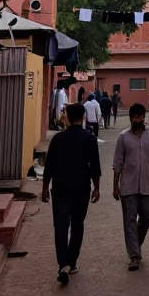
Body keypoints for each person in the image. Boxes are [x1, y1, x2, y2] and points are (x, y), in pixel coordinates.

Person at [41, 101, 100, 286]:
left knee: (60, 226)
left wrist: (44, 188)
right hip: (81, 189)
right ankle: (72, 261)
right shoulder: (89, 139)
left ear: (67, 116)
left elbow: (49, 166)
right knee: (77, 225)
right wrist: (96, 188)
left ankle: (63, 264)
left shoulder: (58, 139)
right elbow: (95, 167)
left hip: (60, 189)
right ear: (83, 117)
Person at [112, 103, 149, 271]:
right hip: (128, 186)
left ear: (144, 117)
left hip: (148, 183)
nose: (137, 120)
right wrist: (115, 186)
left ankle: (135, 244)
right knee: (129, 220)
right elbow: (117, 163)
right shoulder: (123, 137)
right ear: (130, 118)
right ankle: (134, 256)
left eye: (140, 117)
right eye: (134, 117)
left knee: (147, 217)